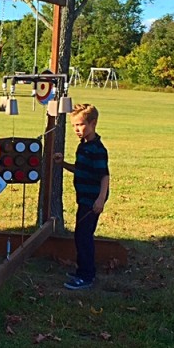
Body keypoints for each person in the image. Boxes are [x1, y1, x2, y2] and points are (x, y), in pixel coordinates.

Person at [53, 103, 110, 290]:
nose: (77, 129)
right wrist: (63, 164)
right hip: (83, 198)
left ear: (93, 123)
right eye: (74, 126)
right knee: (81, 235)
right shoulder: (83, 146)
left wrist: (100, 199)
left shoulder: (97, 149)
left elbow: (104, 175)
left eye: (81, 125)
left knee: (84, 236)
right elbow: (81, 169)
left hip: (92, 200)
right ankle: (82, 270)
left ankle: (87, 276)